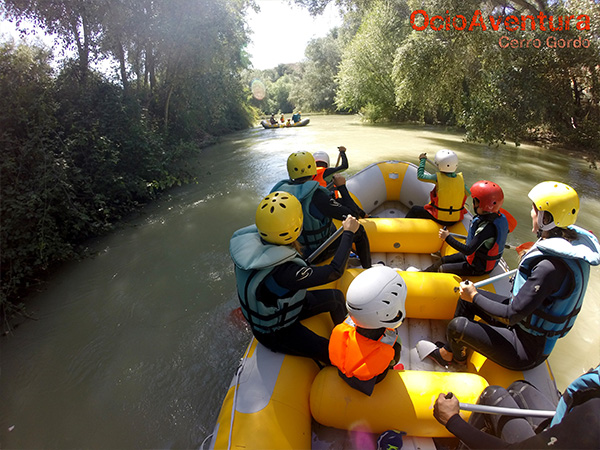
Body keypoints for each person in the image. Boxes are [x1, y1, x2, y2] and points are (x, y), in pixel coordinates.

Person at [426, 181, 600, 370]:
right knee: (465, 300)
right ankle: (454, 350)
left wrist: (474, 296)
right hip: (522, 326)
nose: (531, 213)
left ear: (546, 218)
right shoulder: (565, 248)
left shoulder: (548, 268)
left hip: (525, 348)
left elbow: (511, 316)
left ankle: (452, 357)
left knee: (457, 325)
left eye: (535, 210)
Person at [229, 191, 360, 364]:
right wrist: (348, 233)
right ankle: (346, 358)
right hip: (276, 331)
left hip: (283, 307)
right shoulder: (286, 272)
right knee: (327, 350)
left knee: (335, 298)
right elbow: (334, 271)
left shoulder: (253, 245)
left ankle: (346, 335)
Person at [433, 364, 600, 448]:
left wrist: (453, 421)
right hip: (565, 431)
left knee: (492, 395)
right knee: (518, 389)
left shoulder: (594, 417)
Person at [270, 151, 372, 268]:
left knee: (330, 224)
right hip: (316, 253)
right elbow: (353, 215)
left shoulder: (280, 192)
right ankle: (367, 267)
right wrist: (342, 187)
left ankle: (350, 252)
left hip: (293, 249)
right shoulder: (317, 196)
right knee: (359, 230)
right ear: (312, 168)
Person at [329, 266, 406, 396]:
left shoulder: (344, 326)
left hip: (342, 370)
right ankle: (391, 368)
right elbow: (394, 355)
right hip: (370, 379)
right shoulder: (392, 343)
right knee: (392, 354)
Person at [424, 180, 509, 276]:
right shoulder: (499, 217)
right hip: (473, 256)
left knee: (442, 268)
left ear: (482, 205)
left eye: (475, 201)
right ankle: (422, 274)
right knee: (443, 260)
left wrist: (447, 237)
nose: (473, 204)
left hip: (478, 266)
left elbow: (468, 250)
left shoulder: (487, 229)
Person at [405, 150, 469, 226]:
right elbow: (468, 193)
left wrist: (422, 160)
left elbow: (420, 176)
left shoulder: (437, 178)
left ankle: (404, 228)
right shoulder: (460, 179)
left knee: (415, 209)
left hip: (440, 218)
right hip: (455, 219)